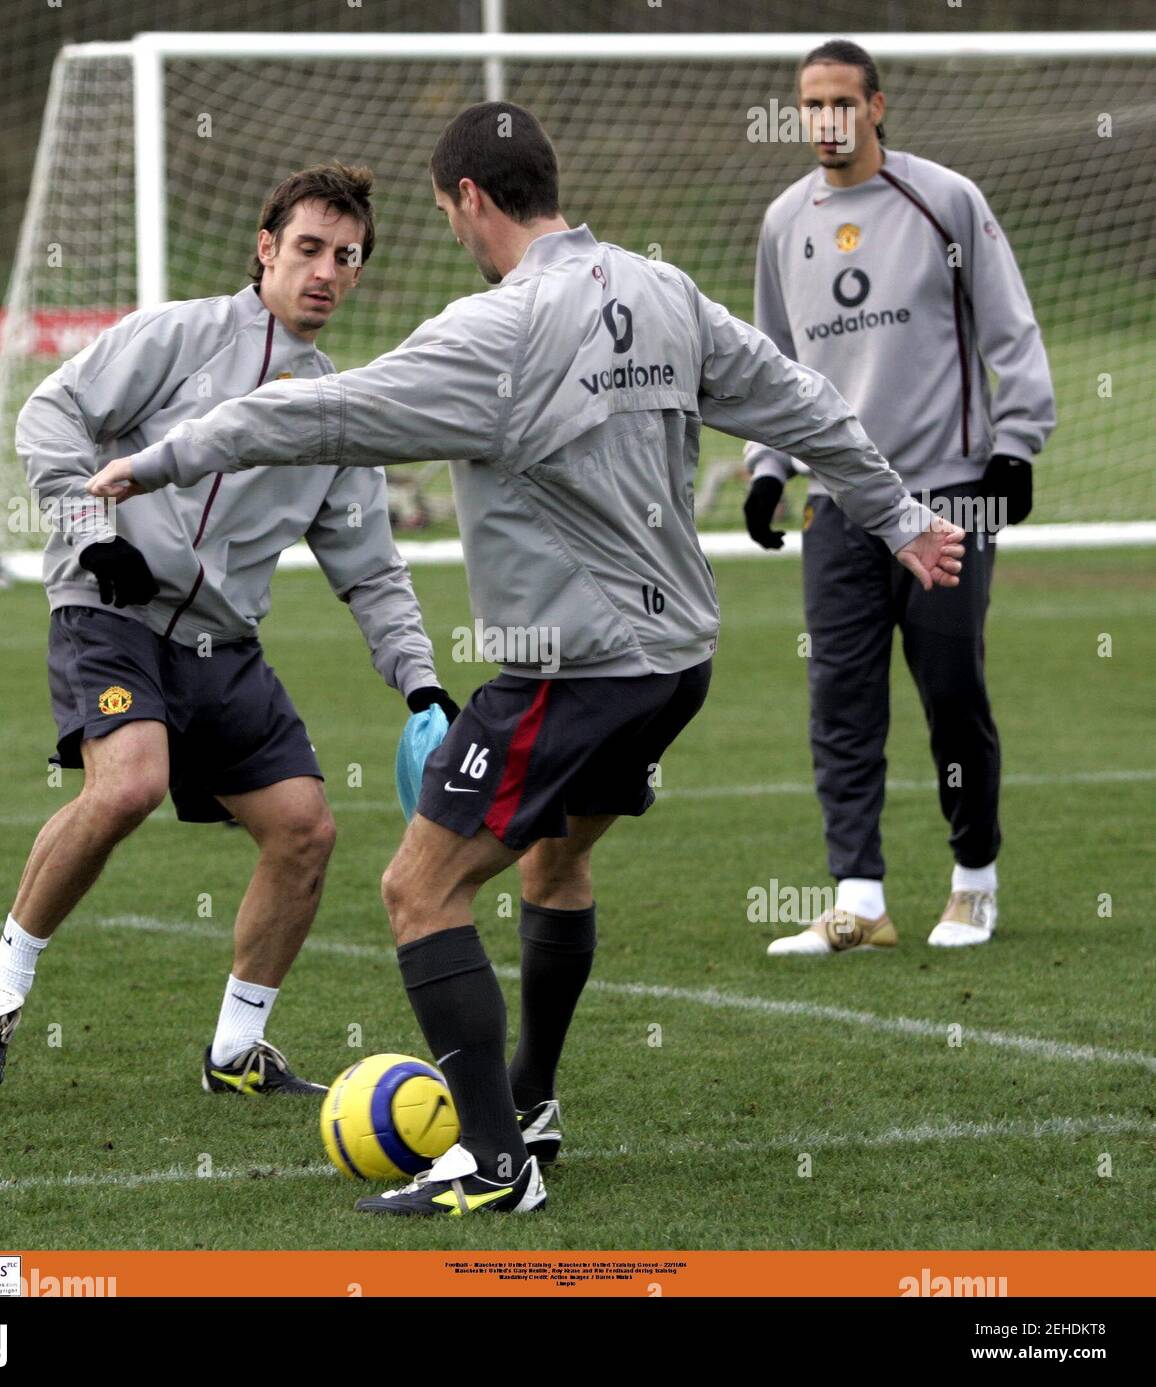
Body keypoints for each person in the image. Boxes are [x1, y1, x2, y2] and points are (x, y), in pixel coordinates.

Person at [89, 103, 964, 1215]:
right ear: (546, 182)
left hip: (573, 668)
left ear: (465, 200)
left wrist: (162, 459)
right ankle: (532, 1106)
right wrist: (895, 515)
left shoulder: (491, 332)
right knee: (555, 863)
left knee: (417, 890)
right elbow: (801, 399)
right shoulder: (661, 289)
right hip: (677, 660)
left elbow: (316, 412)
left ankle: (497, 1164)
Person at [0, 163, 457, 1097]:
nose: (325, 272)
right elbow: (50, 412)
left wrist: (421, 683)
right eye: (308, 248)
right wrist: (94, 535)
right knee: (128, 785)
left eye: (346, 258)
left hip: (221, 643)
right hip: (109, 612)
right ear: (266, 249)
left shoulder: (339, 414)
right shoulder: (177, 334)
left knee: (305, 829)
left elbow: (372, 570)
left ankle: (235, 1053)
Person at [742, 40, 1055, 956]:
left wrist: (1016, 448)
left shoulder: (946, 200)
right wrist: (769, 467)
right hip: (839, 507)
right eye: (811, 105)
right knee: (840, 697)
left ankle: (973, 882)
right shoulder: (782, 223)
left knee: (952, 690)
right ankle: (860, 899)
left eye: (843, 102)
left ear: (877, 107)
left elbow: (1010, 323)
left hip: (950, 496)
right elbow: (773, 364)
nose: (827, 120)